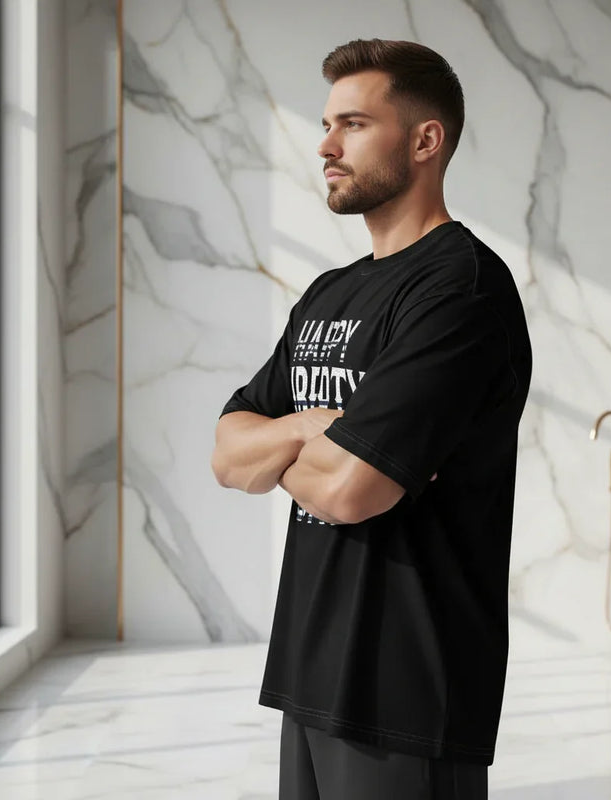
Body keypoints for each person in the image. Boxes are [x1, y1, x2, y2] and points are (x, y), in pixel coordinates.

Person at [212, 38, 532, 800]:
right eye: (326, 124)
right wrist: (304, 429)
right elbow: (227, 453)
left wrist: (291, 444)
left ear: (425, 140)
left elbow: (353, 491)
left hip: (408, 695)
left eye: (352, 124)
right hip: (310, 674)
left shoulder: (462, 289)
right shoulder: (328, 293)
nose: (325, 145)